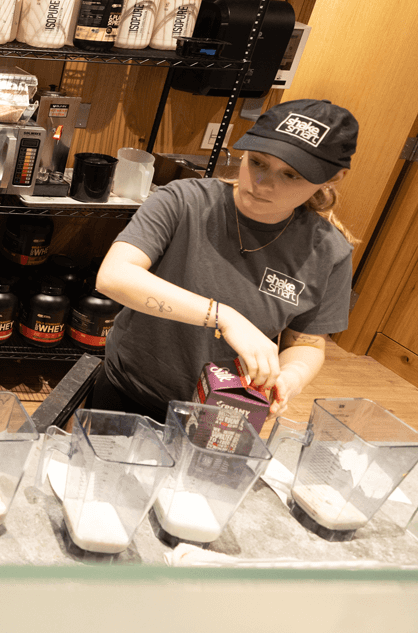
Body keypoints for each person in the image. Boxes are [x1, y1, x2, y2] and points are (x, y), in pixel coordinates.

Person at [93, 99, 358, 421]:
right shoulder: (183, 201)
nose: (263, 183)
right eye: (258, 162)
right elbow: (114, 277)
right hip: (131, 392)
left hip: (226, 414)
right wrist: (224, 317)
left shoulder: (329, 252)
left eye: (291, 175)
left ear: (335, 177)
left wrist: (290, 378)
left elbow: (308, 343)